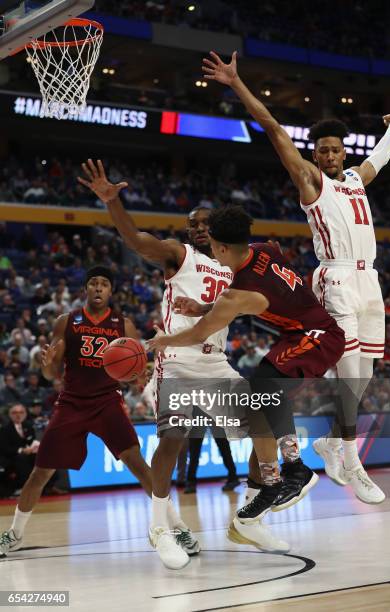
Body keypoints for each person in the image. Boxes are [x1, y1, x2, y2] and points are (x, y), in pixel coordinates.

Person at [202, 50, 390, 504]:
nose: (328, 155)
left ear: (343, 151)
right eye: (321, 150)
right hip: (335, 278)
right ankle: (351, 458)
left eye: (334, 148)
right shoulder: (312, 182)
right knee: (348, 369)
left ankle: (334, 442)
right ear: (314, 156)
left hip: (369, 280)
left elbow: (381, 160)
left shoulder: (354, 179)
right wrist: (236, 84)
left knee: (365, 372)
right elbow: (273, 128)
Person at [78, 160, 288, 570]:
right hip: (175, 360)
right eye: (192, 223)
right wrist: (113, 203)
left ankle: (249, 515)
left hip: (217, 363)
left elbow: (255, 305)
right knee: (172, 441)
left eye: (205, 222)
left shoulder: (234, 268)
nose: (198, 228)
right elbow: (136, 239)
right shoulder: (180, 255)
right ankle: (159, 526)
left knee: (265, 425)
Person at [149, 206, 345, 526]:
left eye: (213, 246)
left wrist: (165, 341)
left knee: (265, 389)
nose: (211, 252)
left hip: (318, 335)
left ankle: (296, 469)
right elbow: (269, 262)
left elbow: (201, 331)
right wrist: (202, 306)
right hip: (296, 334)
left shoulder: (241, 286)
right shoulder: (263, 249)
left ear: (223, 247)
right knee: (261, 396)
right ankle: (272, 481)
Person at [0, 267, 186, 559]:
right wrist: (47, 364)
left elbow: (135, 370)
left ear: (111, 291)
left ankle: (177, 527)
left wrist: (136, 373)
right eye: (93, 283)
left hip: (107, 403)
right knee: (41, 472)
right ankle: (15, 534)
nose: (98, 288)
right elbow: (52, 373)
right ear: (85, 289)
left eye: (104, 284)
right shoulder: (67, 321)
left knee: (137, 464)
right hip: (72, 402)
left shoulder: (123, 325)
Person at [0, 404, 37, 494]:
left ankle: (47, 486)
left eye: (21, 412)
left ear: (25, 414)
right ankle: (26, 487)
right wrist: (21, 450)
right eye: (15, 412)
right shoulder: (4, 429)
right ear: (10, 415)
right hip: (11, 457)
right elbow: (4, 448)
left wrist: (33, 448)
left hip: (29, 454)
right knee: (21, 459)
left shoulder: (29, 426)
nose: (18, 415)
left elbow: (32, 441)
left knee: (42, 457)